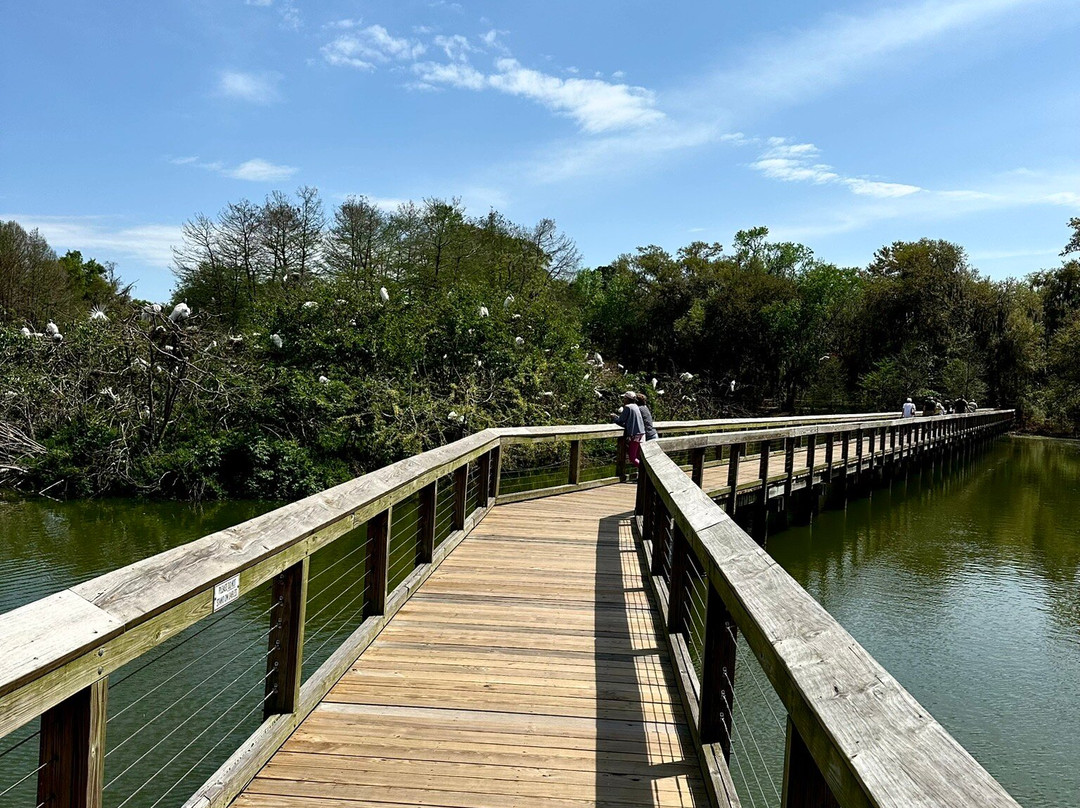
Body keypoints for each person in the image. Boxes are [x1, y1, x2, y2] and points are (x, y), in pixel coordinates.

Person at [612, 391, 646, 468]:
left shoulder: (628, 407)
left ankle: (646, 473)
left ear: (627, 399)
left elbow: (621, 421)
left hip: (635, 435)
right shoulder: (636, 406)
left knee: (632, 458)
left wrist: (614, 418)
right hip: (641, 434)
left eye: (624, 398)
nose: (623, 400)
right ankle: (643, 476)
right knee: (638, 457)